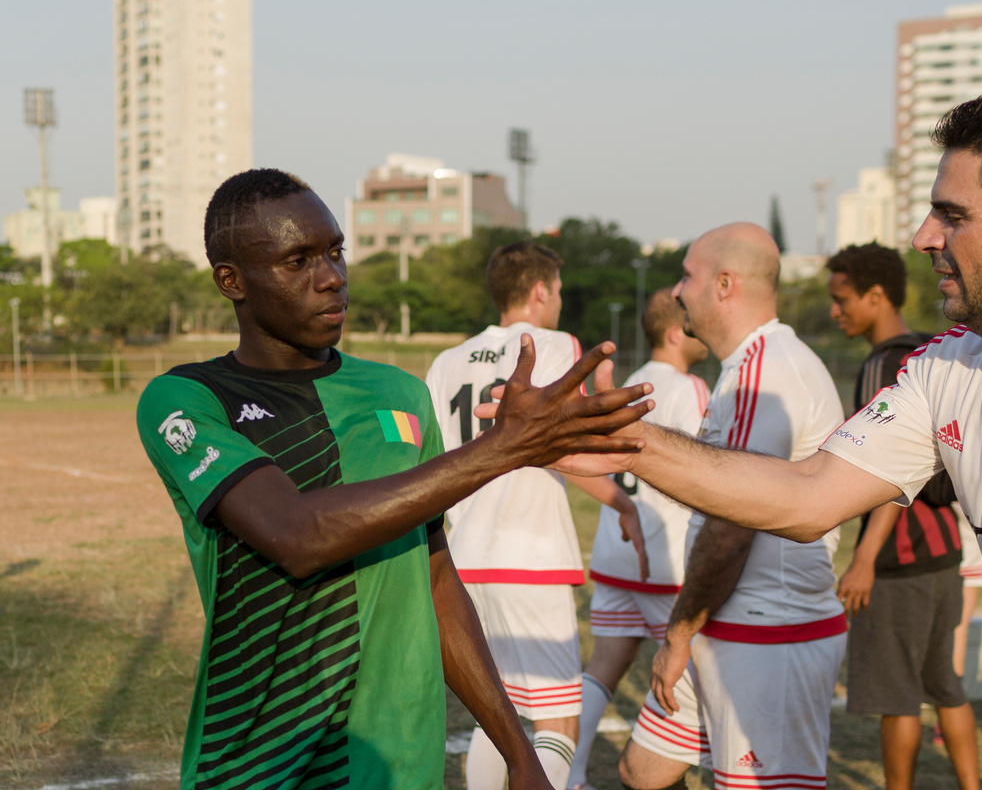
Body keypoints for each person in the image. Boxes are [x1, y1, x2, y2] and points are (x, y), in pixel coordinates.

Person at [546, 84, 982, 789]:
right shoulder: (950, 368)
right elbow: (807, 495)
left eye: (951, 215)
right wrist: (606, 437)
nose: (923, 236)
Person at [135, 169, 650, 790]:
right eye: (298, 259)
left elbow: (434, 576)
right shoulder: (186, 399)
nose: (331, 276)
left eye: (334, 251)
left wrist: (518, 752)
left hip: (402, 768)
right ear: (231, 281)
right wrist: (504, 449)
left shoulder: (400, 392)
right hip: (259, 765)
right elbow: (296, 536)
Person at [630, 223, 848, 790]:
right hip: (726, 620)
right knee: (643, 771)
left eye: (687, 276)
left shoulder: (764, 373)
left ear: (725, 285)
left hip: (770, 631)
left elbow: (731, 527)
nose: (676, 291)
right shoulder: (743, 369)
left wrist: (679, 631)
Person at [424, 241, 646, 790]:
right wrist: (621, 500)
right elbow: (564, 448)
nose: (561, 301)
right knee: (557, 719)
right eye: (561, 291)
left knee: (496, 709)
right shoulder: (553, 345)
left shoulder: (446, 361)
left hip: (464, 560)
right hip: (531, 556)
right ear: (541, 290)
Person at [827, 242, 979, 790]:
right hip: (946, 552)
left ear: (875, 295)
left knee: (898, 699)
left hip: (900, 561)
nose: (834, 311)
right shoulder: (934, 350)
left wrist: (864, 557)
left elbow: (886, 472)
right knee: (947, 686)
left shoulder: (885, 363)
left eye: (841, 299)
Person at [566, 288, 711, 790]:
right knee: (690, 679)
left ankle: (572, 774)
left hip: (616, 551)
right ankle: (676, 772)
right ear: (676, 333)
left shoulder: (629, 381)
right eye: (691, 323)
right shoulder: (689, 388)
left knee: (603, 666)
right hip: (664, 556)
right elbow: (707, 469)